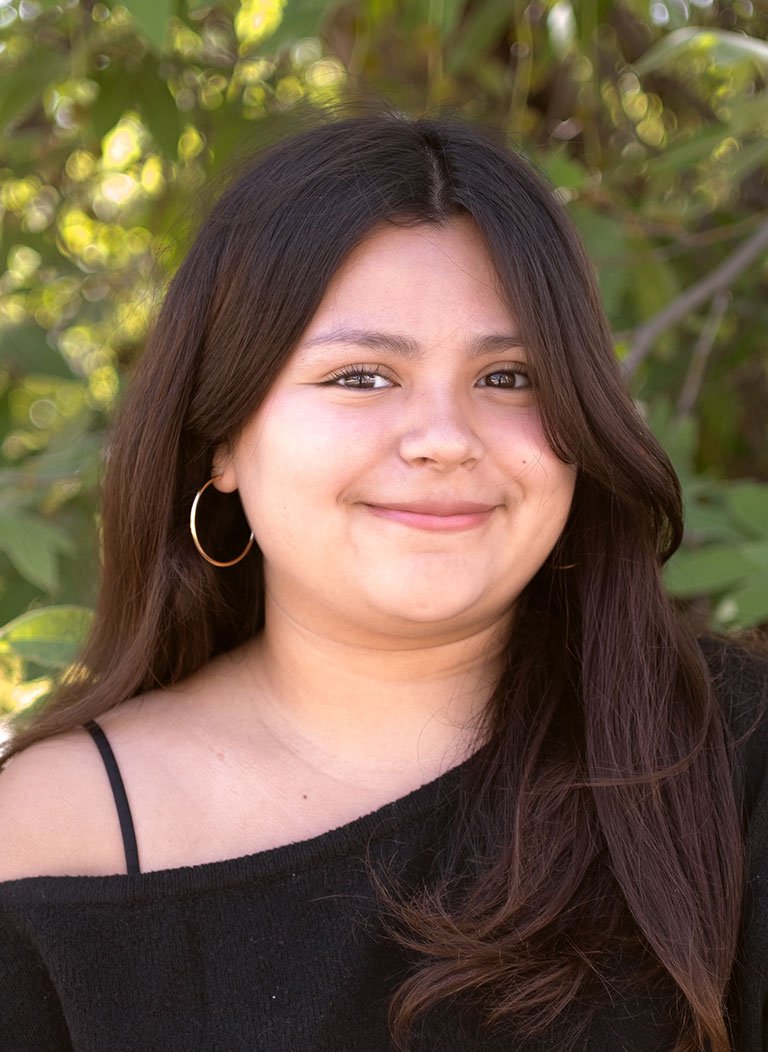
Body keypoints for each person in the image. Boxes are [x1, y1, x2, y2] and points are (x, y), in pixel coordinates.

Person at [0, 106, 765, 1052]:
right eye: (361, 377)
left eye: (510, 377)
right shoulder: (55, 836)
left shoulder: (737, 760)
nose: (444, 439)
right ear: (223, 437)